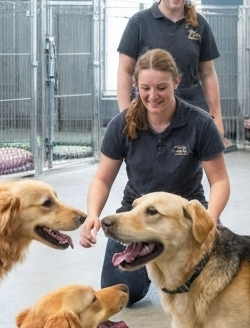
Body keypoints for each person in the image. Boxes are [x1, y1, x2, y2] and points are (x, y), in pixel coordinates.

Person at [81, 48, 230, 306]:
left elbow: (220, 181)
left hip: (185, 217)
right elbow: (102, 179)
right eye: (145, 88)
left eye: (161, 87)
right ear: (136, 84)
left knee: (213, 287)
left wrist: (210, 220)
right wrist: (93, 213)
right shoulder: (121, 124)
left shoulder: (199, 123)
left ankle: (164, 262)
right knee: (125, 296)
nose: (152, 96)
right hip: (137, 215)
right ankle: (154, 268)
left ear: (176, 81)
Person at [116, 0, 227, 141]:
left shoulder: (199, 25)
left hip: (192, 112)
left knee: (191, 168)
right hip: (149, 113)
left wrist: (216, 118)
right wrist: (125, 115)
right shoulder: (139, 23)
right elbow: (125, 70)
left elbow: (207, 74)